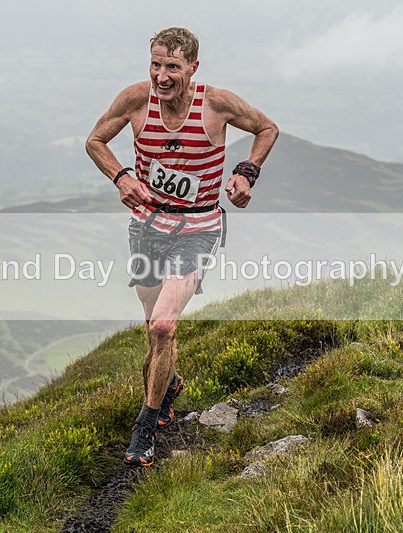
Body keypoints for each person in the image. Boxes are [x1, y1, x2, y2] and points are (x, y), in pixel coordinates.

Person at [85, 27, 278, 467]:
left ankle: (146, 426)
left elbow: (267, 127)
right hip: (147, 226)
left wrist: (247, 171)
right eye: (156, 64)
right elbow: (95, 141)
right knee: (151, 326)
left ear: (193, 67)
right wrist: (122, 178)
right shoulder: (135, 99)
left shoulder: (217, 104)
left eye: (172, 66)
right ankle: (168, 384)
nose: (162, 75)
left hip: (198, 227)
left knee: (163, 327)